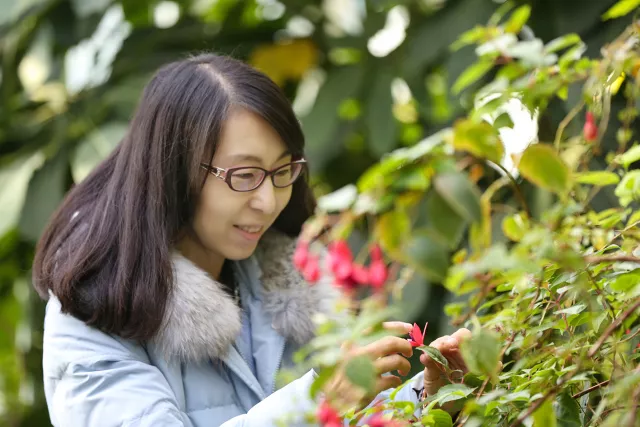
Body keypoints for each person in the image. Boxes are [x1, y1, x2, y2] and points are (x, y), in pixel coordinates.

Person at [32, 53, 470, 427]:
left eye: (282, 172)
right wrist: (318, 401)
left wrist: (432, 399)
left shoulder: (294, 281)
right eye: (243, 176)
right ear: (173, 174)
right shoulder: (91, 311)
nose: (269, 200)